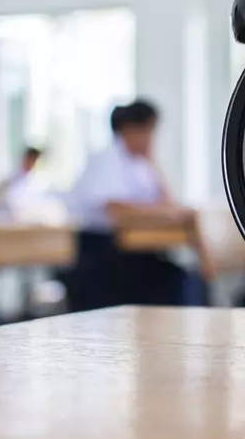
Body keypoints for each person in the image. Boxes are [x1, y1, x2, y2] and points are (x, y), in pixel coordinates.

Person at [64, 100, 204, 311]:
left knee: (184, 279)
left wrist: (154, 165)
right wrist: (166, 214)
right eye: (147, 131)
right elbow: (118, 212)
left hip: (136, 254)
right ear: (129, 129)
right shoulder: (107, 159)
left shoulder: (141, 164)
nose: (151, 139)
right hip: (104, 254)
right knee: (173, 284)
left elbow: (169, 203)